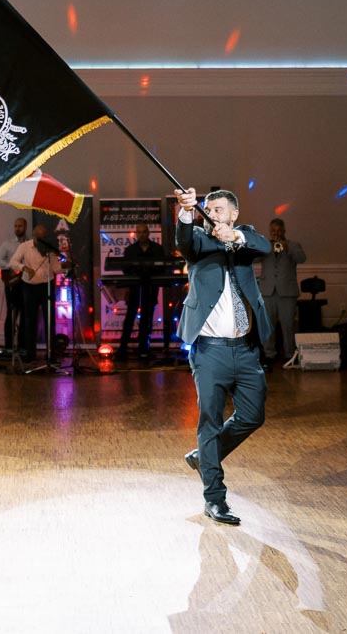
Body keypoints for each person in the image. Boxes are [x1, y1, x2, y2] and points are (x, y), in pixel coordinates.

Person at [175, 188, 270, 527]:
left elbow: (265, 246)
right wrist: (186, 212)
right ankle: (215, 499)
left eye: (219, 210)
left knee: (252, 416)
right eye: (208, 209)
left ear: (233, 214)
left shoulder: (247, 241)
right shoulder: (200, 242)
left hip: (246, 350)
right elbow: (184, 241)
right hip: (210, 352)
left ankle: (205, 456)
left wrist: (237, 236)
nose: (212, 214)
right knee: (210, 423)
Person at [256, 217, 306, 368]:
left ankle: (290, 355)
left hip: (287, 293)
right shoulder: (264, 246)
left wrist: (287, 247)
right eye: (273, 231)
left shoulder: (293, 245)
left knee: (288, 325)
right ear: (270, 232)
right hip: (268, 292)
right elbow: (253, 259)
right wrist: (264, 245)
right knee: (268, 326)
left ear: (284, 231)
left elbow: (302, 258)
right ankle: (269, 354)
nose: (276, 233)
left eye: (279, 231)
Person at [10, 224, 63, 362]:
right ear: (33, 236)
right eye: (38, 237)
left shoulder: (50, 248)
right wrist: (25, 268)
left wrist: (65, 267)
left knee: (49, 320)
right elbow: (13, 262)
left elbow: (56, 268)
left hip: (47, 285)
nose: (41, 240)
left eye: (44, 237)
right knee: (30, 321)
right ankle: (30, 354)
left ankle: (51, 354)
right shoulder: (24, 247)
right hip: (29, 287)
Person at [119, 223, 166, 359]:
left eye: (144, 232)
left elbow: (162, 267)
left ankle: (144, 348)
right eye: (139, 232)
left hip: (150, 288)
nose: (142, 235)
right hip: (135, 287)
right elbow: (125, 269)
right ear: (136, 234)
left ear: (148, 233)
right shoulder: (130, 250)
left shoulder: (157, 249)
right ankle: (123, 348)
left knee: (147, 317)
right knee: (130, 317)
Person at [0, 218, 27, 356]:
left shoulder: (30, 244)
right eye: (15, 226)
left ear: (25, 227)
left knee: (25, 314)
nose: (17, 228)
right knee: (11, 313)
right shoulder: (7, 244)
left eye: (20, 226)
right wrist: (11, 266)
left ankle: (23, 346)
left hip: (26, 282)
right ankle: (8, 346)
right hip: (12, 282)